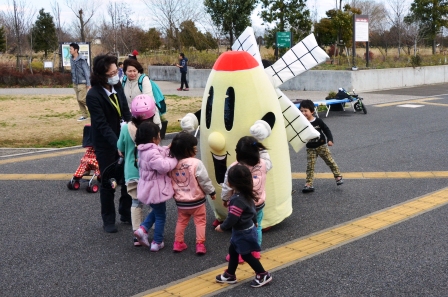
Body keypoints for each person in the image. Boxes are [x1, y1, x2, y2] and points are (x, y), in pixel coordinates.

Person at [86, 54, 132, 233]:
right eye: (112, 72)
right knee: (108, 181)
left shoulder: (118, 86)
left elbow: (126, 112)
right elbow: (102, 125)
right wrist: (117, 145)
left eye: (116, 71)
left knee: (129, 178)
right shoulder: (93, 95)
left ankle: (126, 212)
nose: (116, 75)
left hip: (124, 137)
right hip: (106, 144)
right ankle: (108, 219)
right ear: (101, 75)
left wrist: (131, 132)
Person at [215, 165, 272, 288]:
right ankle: (230, 274)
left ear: (229, 183)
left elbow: (232, 218)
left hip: (242, 232)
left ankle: (263, 274)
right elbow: (252, 210)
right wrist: (255, 221)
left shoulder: (237, 199)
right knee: (233, 250)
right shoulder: (247, 194)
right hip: (247, 228)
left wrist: (223, 227)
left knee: (246, 254)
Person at [221, 136, 272, 262]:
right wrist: (262, 149)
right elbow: (267, 158)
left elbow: (227, 186)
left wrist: (225, 199)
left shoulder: (234, 167)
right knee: (257, 227)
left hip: (239, 206)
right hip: (258, 204)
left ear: (237, 152)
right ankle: (255, 251)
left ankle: (239, 254)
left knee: (238, 229)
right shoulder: (264, 164)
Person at [117, 94, 158, 246]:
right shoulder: (153, 130)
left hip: (131, 173)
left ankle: (137, 233)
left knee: (135, 202)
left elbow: (120, 147)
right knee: (154, 203)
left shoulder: (126, 128)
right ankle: (149, 227)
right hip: (149, 172)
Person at [168, 132, 216, 254]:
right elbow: (204, 181)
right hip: (197, 201)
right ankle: (200, 244)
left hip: (181, 202)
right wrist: (211, 192)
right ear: (187, 150)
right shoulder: (196, 163)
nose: (196, 151)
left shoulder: (172, 164)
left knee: (181, 221)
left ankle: (178, 243)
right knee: (200, 221)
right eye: (194, 148)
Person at [133, 121, 178, 251]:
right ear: (154, 139)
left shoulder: (143, 150)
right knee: (161, 215)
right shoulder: (152, 153)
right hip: (155, 189)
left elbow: (159, 151)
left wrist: (168, 149)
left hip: (147, 187)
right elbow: (163, 166)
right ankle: (157, 242)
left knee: (157, 211)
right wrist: (174, 159)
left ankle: (142, 229)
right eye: (159, 135)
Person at [299, 99, 343, 193]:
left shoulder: (318, 121)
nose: (303, 113)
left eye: (305, 111)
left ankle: (338, 177)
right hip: (310, 148)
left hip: (322, 145)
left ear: (312, 111)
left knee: (330, 161)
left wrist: (330, 140)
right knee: (310, 167)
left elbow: (326, 130)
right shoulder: (301, 124)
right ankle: (309, 184)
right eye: (301, 111)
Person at [122, 58, 162, 129]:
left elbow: (147, 100)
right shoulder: (123, 80)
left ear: (138, 70)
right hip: (131, 119)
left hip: (147, 118)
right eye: (130, 71)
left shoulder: (144, 80)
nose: (132, 73)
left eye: (134, 71)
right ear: (125, 71)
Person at [69, 42, 91, 121]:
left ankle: (95, 111)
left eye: (71, 49)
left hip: (82, 82)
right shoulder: (71, 59)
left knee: (82, 99)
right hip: (75, 82)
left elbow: (86, 72)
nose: (70, 50)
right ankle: (84, 115)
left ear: (76, 50)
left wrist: (89, 83)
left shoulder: (82, 59)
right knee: (79, 100)